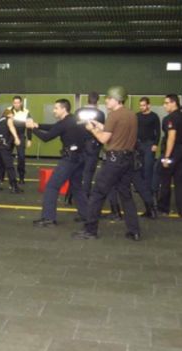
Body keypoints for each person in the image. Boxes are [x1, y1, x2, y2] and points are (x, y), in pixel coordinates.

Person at [73, 86, 141, 241]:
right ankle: (134, 231)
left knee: (98, 193)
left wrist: (92, 129)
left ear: (117, 99)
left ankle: (90, 230)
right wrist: (100, 125)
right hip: (128, 160)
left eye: (109, 98)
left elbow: (104, 139)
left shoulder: (113, 115)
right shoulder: (131, 114)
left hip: (114, 161)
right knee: (126, 195)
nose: (106, 101)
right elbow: (116, 133)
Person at [26, 99, 88, 227]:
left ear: (63, 109)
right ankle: (86, 215)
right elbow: (55, 127)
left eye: (56, 108)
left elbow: (46, 137)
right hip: (80, 158)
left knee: (52, 186)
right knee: (77, 187)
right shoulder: (74, 119)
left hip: (69, 159)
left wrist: (32, 129)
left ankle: (48, 218)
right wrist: (38, 125)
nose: (54, 111)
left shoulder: (64, 123)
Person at [157, 94, 182, 217]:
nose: (164, 105)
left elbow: (171, 138)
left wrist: (166, 157)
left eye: (166, 103)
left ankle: (163, 208)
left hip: (172, 153)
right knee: (181, 181)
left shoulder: (170, 119)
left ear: (174, 103)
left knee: (165, 180)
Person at [75, 91, 105, 198]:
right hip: (93, 145)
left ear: (87, 99)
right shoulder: (100, 114)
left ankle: (72, 195)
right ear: (97, 100)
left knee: (77, 170)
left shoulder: (79, 111)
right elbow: (101, 129)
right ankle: (85, 195)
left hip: (79, 144)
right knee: (89, 172)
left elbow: (74, 127)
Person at [136, 97, 161, 205]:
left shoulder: (154, 117)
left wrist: (155, 144)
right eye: (140, 105)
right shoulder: (137, 116)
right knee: (140, 167)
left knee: (148, 167)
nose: (141, 107)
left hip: (149, 144)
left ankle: (149, 190)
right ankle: (141, 188)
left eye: (143, 105)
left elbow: (158, 131)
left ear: (148, 105)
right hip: (139, 144)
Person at [10, 96, 33, 184]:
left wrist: (29, 139)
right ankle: (1, 176)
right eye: (14, 103)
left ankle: (21, 177)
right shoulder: (8, 110)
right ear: (13, 103)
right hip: (9, 135)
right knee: (5, 156)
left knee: (21, 157)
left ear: (21, 103)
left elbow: (29, 126)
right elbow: (2, 123)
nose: (16, 104)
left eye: (18, 102)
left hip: (20, 135)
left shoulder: (26, 112)